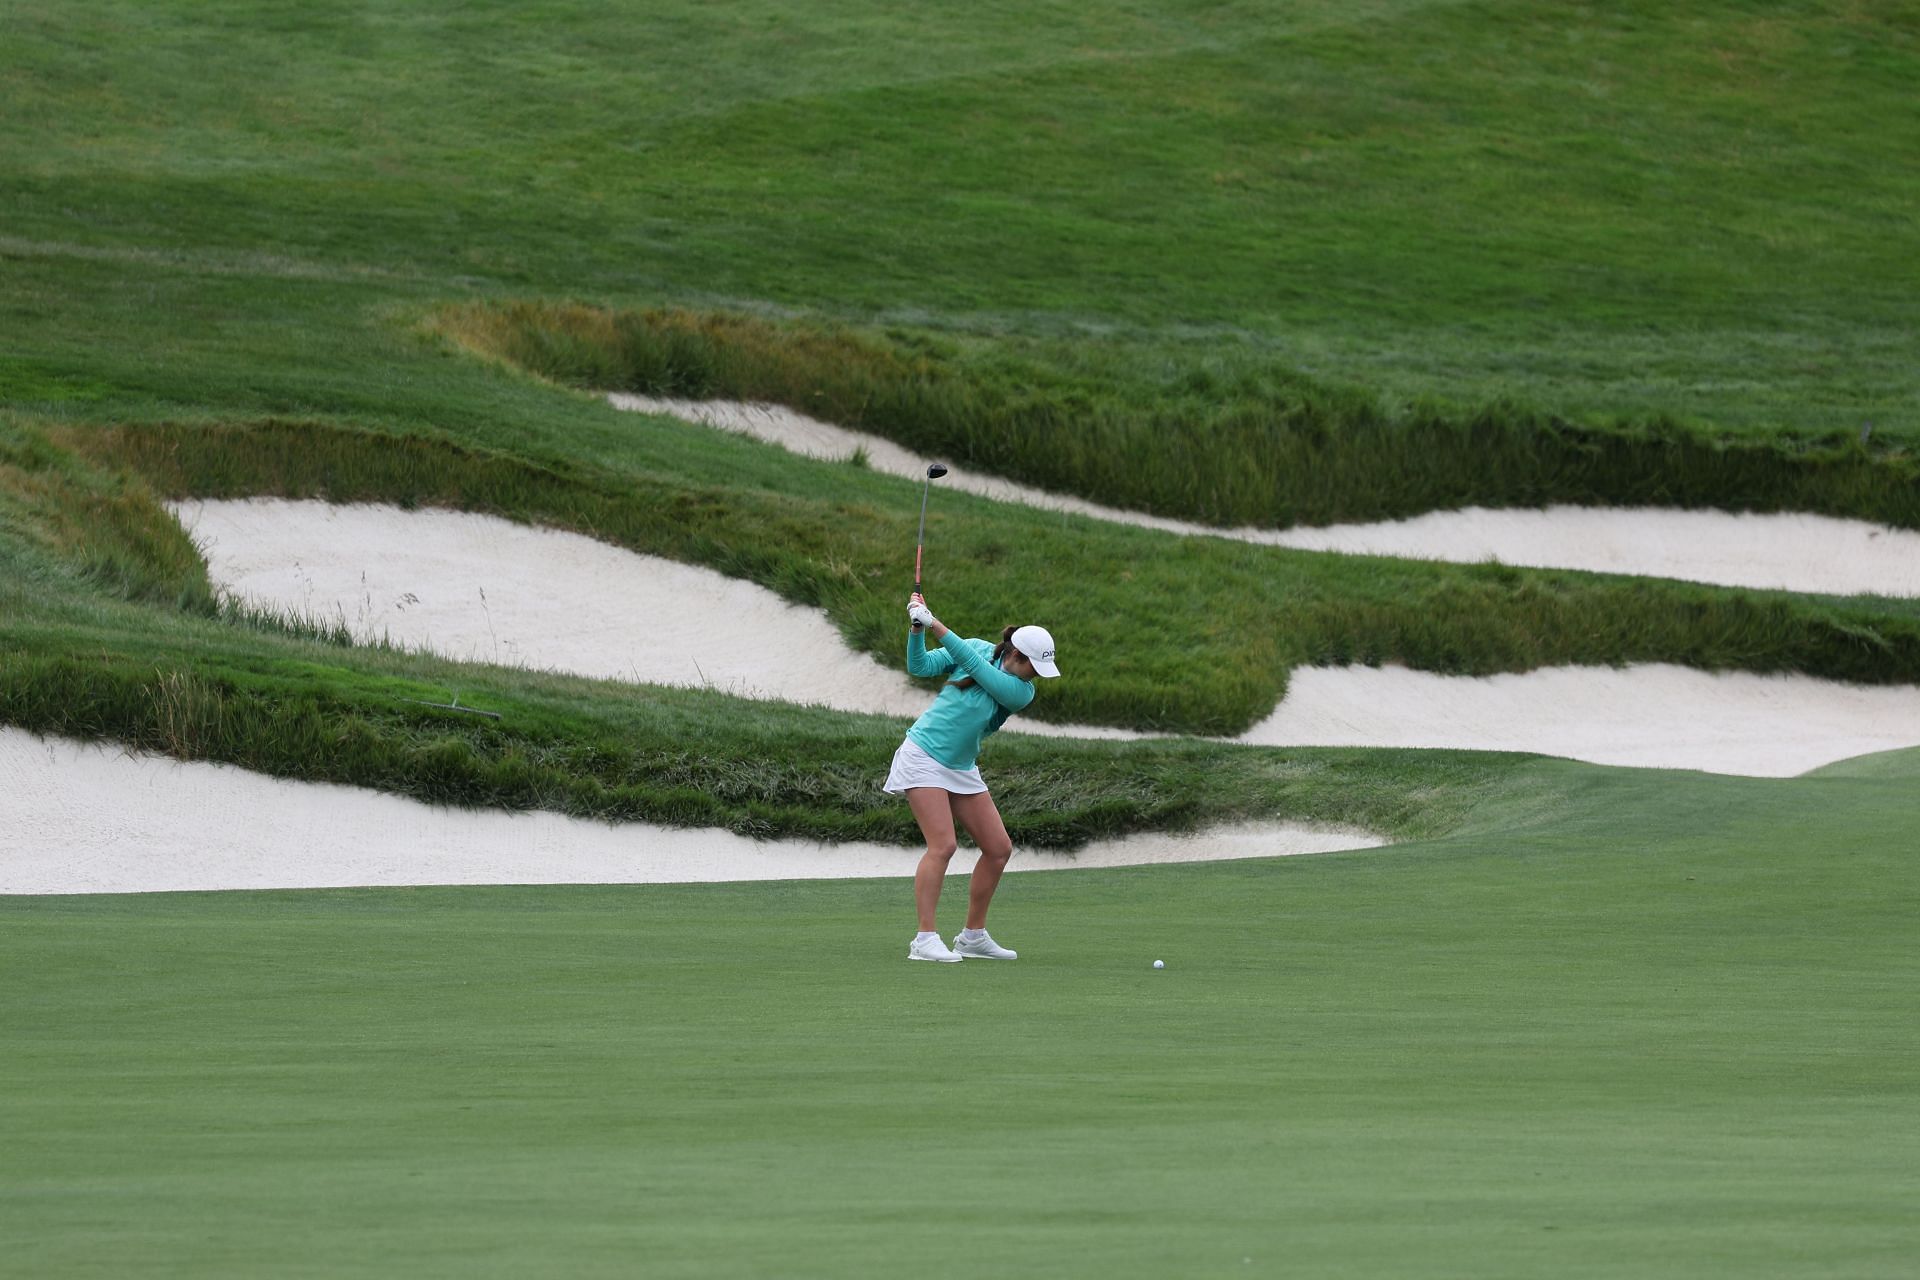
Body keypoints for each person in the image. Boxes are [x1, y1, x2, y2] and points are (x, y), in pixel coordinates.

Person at [885, 591, 1060, 963]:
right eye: (1035, 667)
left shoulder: (1021, 691)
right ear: (1015, 655)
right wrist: (917, 629)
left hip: (961, 767)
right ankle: (924, 939)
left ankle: (972, 937)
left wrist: (935, 623)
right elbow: (919, 666)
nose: (1037, 677)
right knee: (943, 845)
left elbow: (976, 669)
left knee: (998, 848)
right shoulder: (978, 647)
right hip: (924, 756)